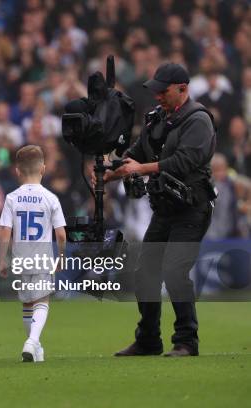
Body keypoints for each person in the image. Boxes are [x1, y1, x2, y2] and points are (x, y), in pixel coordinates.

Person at [103, 63, 216, 357]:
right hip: (165, 207)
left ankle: (186, 341)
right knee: (145, 273)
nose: (158, 97)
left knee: (175, 270)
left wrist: (141, 169)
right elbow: (139, 151)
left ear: (183, 89)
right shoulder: (157, 118)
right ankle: (149, 340)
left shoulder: (199, 120)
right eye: (155, 91)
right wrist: (115, 169)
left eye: (163, 91)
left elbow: (184, 161)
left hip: (192, 207)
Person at [0, 145, 67, 362]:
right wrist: (62, 257)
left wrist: (3, 259)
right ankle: (32, 341)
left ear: (17, 171)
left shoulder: (11, 198)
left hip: (20, 259)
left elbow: (5, 233)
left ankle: (35, 347)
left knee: (28, 303)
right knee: (42, 301)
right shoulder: (51, 198)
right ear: (43, 169)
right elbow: (62, 235)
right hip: (42, 258)